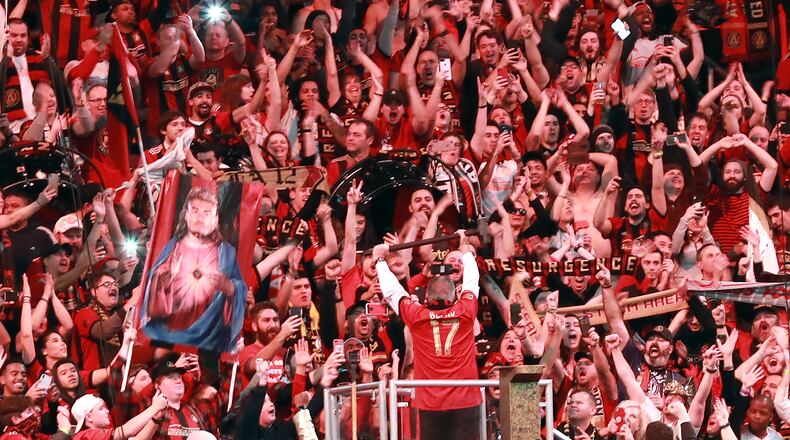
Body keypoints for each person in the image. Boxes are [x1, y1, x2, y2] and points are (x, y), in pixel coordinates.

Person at [372, 230, 480, 440]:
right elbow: (471, 281)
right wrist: (465, 248)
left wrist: (379, 260)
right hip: (466, 401)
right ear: (454, 296)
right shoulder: (466, 310)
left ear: (427, 298)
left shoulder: (417, 315)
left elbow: (394, 292)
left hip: (430, 404)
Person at [141, 187, 246, 353]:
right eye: (195, 210)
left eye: (206, 212)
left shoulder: (226, 252)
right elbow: (153, 283)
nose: (200, 217)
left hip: (210, 336)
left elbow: (241, 288)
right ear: (187, 214)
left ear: (215, 218)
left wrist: (231, 288)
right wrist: (169, 275)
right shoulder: (172, 246)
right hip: (168, 334)